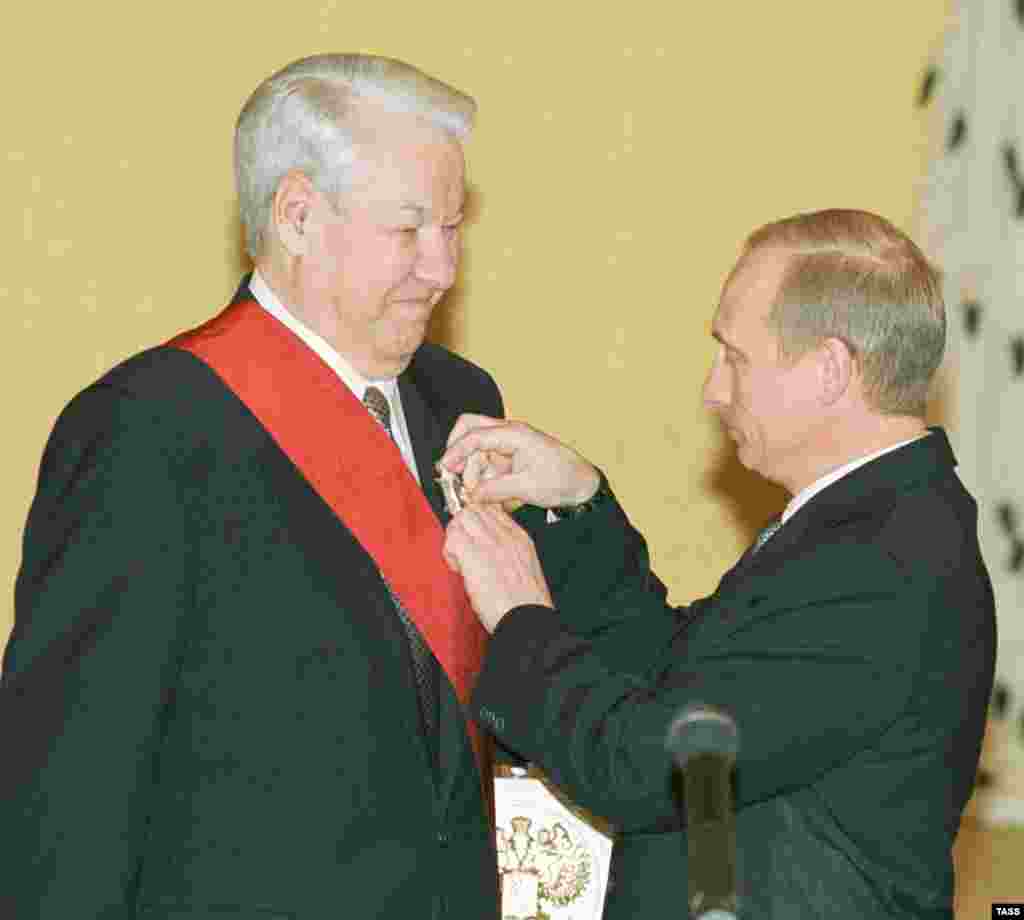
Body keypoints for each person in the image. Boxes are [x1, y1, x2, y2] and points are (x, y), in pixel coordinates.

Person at [2, 53, 512, 919]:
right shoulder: (148, 426)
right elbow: (70, 786)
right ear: (299, 216)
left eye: (453, 229)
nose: (442, 268)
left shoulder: (464, 403)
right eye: (409, 230)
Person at [441, 209, 996, 918]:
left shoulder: (883, 564)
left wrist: (520, 617)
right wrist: (576, 504)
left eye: (735, 358)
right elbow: (671, 674)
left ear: (828, 370)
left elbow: (649, 766)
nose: (714, 391)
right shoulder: (861, 526)